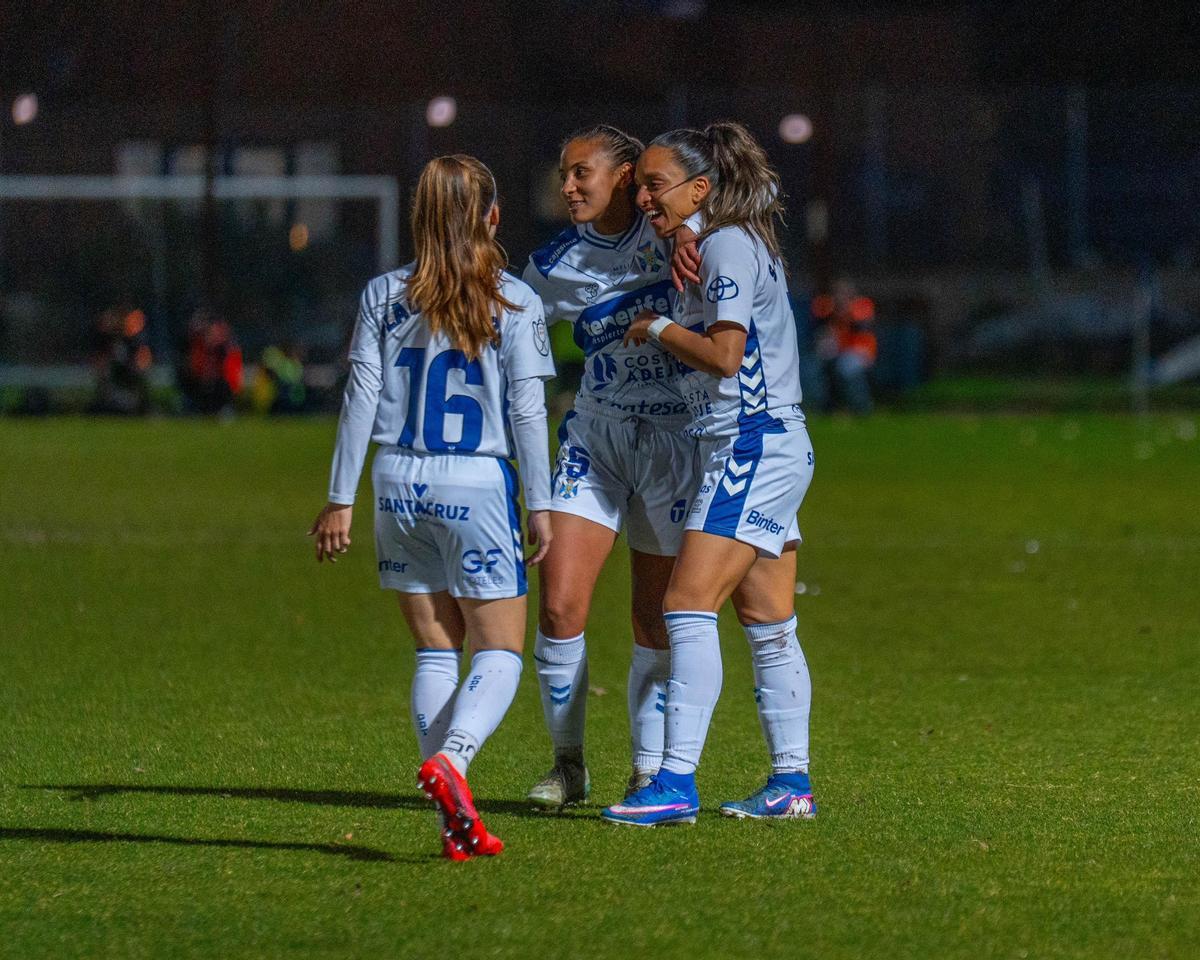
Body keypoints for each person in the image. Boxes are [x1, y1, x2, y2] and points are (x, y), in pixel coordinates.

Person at [309, 155, 555, 859]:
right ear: (494, 218)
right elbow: (528, 411)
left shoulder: (383, 294)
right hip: (475, 482)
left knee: (436, 647)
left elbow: (358, 397)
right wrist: (539, 504)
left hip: (396, 481)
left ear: (419, 217)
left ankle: (453, 818)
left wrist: (338, 499)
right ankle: (455, 761)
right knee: (502, 649)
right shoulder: (513, 299)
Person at [603, 121, 817, 826]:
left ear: (702, 186)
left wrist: (658, 327)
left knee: (685, 607)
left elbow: (726, 357)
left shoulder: (726, 242)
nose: (641, 199)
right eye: (639, 188)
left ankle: (673, 783)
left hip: (749, 445)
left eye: (653, 186)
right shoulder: (725, 240)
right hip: (765, 444)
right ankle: (791, 784)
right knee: (768, 622)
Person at [520, 125, 701, 807]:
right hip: (595, 439)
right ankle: (568, 766)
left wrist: (690, 231)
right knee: (561, 605)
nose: (567, 187)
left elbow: (747, 205)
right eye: (563, 175)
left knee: (652, 619)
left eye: (581, 173)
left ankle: (649, 769)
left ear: (627, 175)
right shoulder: (552, 264)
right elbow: (509, 336)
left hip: (672, 442)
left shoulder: (681, 233)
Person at [813, 278, 877, 415]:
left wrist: (843, 311)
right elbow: (818, 324)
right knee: (821, 365)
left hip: (862, 351)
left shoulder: (861, 305)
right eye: (837, 293)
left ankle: (861, 408)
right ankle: (830, 407)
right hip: (840, 351)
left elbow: (861, 326)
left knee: (847, 367)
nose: (840, 296)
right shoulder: (829, 306)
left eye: (844, 292)